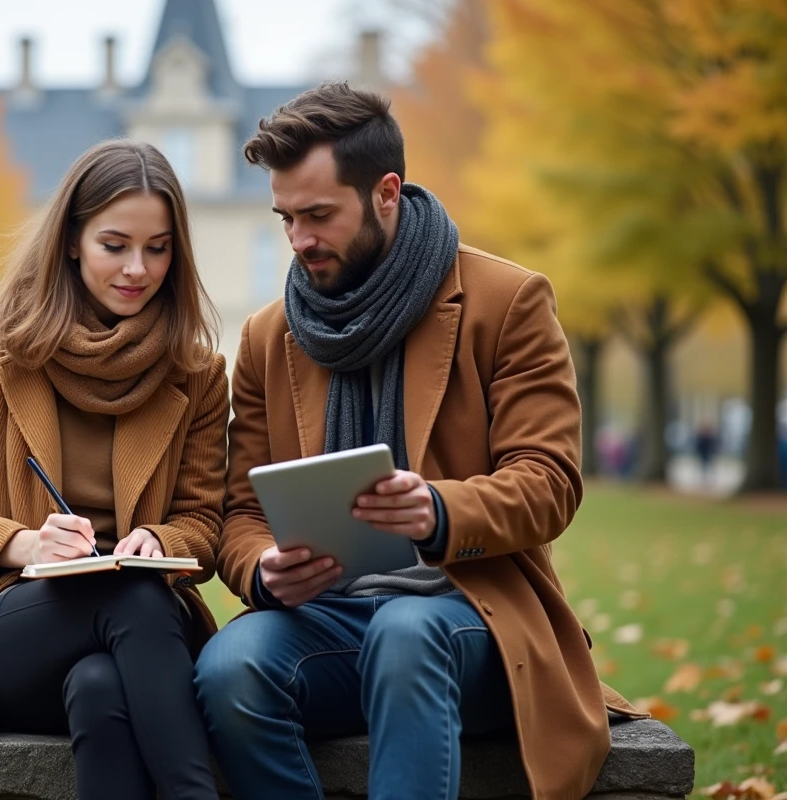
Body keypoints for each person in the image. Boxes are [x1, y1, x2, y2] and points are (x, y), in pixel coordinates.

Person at [193, 83, 644, 800]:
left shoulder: (508, 301)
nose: (299, 240)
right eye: (285, 219)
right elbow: (240, 512)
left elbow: (550, 481)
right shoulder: (266, 337)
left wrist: (438, 510)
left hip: (473, 620)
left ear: (386, 193)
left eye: (318, 215)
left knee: (406, 631)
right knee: (229, 667)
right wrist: (262, 571)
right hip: (329, 619)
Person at [0, 139, 227, 800]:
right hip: (10, 625)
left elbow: (202, 522)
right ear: (72, 239)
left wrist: (161, 543)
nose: (138, 267)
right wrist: (25, 542)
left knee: (101, 685)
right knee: (129, 599)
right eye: (115, 245)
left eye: (158, 248)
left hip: (141, 642)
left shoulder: (197, 372)